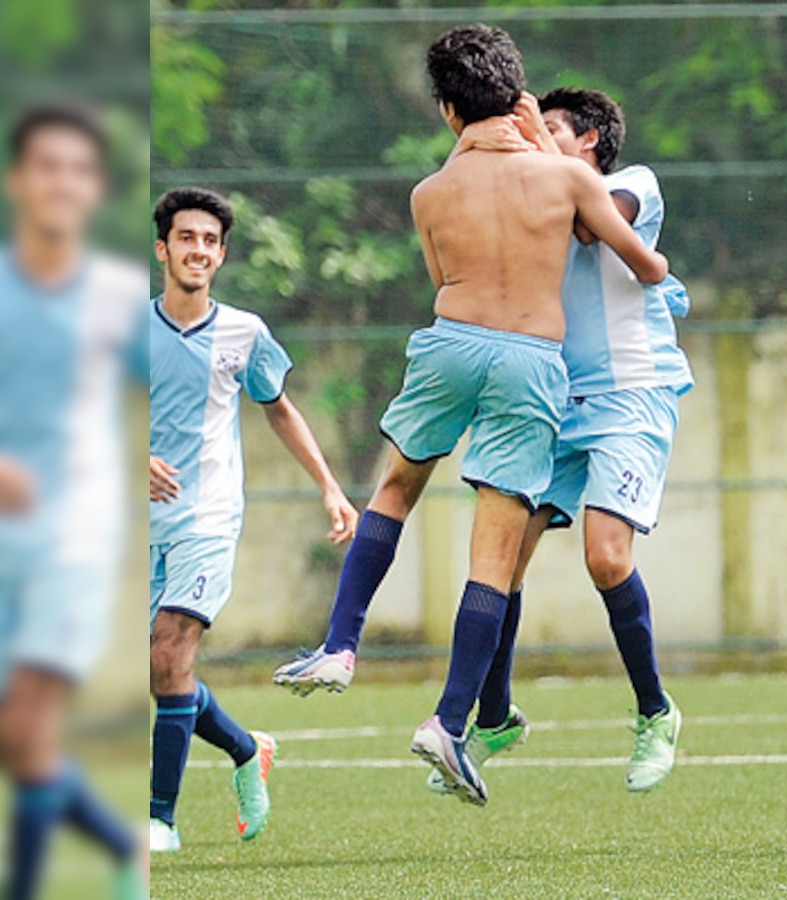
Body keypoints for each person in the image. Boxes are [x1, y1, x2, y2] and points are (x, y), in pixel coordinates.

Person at [273, 25, 667, 807]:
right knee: (495, 555)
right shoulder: (566, 181)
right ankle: (450, 722)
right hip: (530, 359)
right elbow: (646, 266)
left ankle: (341, 644)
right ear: (517, 95)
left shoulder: (430, 192)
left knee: (393, 491)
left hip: (449, 343)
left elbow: (439, 273)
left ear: (450, 112)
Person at [423, 87, 693, 795]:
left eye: (550, 129)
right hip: (555, 401)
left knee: (606, 556)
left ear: (593, 138)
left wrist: (530, 143)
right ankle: (496, 714)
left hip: (630, 396)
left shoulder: (633, 186)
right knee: (501, 562)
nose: (533, 139)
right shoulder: (536, 193)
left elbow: (587, 225)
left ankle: (656, 712)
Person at [149, 186, 359, 852]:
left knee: (170, 649)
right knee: (158, 674)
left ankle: (158, 820)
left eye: (210, 241)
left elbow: (279, 408)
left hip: (208, 517)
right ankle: (246, 749)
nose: (199, 251)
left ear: (222, 254)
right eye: (187, 238)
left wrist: (330, 487)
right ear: (163, 249)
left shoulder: (245, 332)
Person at [0, 103, 147, 899]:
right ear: (17, 180)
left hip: (75, 537)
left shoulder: (116, 293)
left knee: (28, 724)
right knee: (15, 742)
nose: (63, 182)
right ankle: (115, 838)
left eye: (80, 169)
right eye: (47, 165)